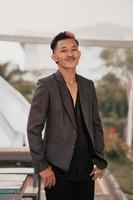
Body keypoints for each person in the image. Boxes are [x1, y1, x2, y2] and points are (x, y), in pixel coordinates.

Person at [27, 31, 107, 200]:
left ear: (79, 54)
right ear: (54, 57)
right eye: (63, 50)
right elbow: (33, 129)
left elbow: (96, 125)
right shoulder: (46, 85)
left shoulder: (88, 85)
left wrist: (100, 159)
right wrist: (42, 166)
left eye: (74, 49)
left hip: (86, 169)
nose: (70, 54)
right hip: (56, 169)